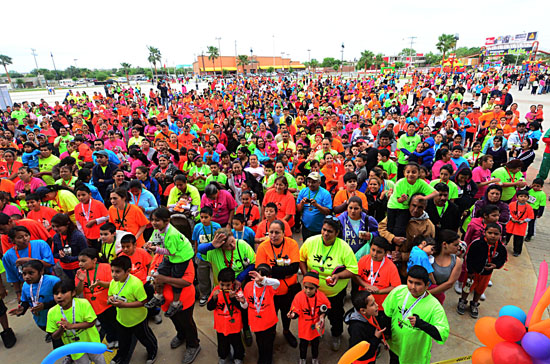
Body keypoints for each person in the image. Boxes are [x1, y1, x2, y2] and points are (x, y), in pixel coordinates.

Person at [299, 216, 359, 351]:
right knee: (313, 315)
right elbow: (301, 259)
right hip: (314, 292)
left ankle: (336, 335)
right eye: (324, 229)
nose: (325, 233)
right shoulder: (311, 242)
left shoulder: (344, 247)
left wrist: (337, 275)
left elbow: (353, 270)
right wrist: (307, 276)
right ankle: (315, 333)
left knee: (335, 316)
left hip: (334, 294)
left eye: (330, 231)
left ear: (337, 233)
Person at [383, 265, 449, 364]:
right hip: (395, 347)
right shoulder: (399, 291)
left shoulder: (434, 306)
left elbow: (441, 335)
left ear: (427, 285)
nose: (413, 287)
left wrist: (421, 324)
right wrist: (387, 333)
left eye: (418, 284)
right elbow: (387, 313)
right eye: (410, 282)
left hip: (415, 355)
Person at [256, 220, 301, 348]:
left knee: (287, 314)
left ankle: (286, 331)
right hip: (270, 292)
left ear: (284, 233)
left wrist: (272, 271)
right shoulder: (263, 247)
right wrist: (284, 273)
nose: (273, 235)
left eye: (277, 232)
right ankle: (272, 332)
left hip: (288, 290)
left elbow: (294, 268)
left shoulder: (291, 244)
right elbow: (261, 271)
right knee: (271, 315)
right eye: (271, 232)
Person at [143, 207, 195, 317]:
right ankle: (159, 296)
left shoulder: (172, 234)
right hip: (170, 255)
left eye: (157, 220)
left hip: (181, 256)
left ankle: (176, 303)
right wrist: (149, 243)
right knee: (159, 273)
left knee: (176, 279)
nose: (153, 223)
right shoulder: (157, 229)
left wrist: (155, 249)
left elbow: (171, 252)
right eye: (152, 219)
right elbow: (153, 238)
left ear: (167, 221)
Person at [108, 255, 158, 364]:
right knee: (123, 340)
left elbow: (143, 301)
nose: (114, 275)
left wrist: (124, 305)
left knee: (145, 338)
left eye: (117, 271)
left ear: (128, 271)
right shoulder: (113, 282)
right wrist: (110, 299)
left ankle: (152, 350)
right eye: (112, 271)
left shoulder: (136, 284)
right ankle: (121, 355)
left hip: (138, 319)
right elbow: (110, 295)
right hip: (122, 319)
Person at [46, 279, 107, 364]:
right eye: (56, 293)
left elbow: (91, 322)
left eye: (63, 292)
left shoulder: (83, 303)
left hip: (91, 342)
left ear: (73, 293)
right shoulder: (52, 312)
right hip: (74, 348)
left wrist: (71, 326)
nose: (59, 296)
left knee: (99, 361)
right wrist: (61, 329)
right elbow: (54, 336)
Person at [378, 194, 436, 280]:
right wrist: (392, 238)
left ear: (425, 207)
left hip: (409, 269)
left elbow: (426, 251)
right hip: (389, 262)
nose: (415, 210)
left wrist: (403, 256)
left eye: (420, 207)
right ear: (409, 204)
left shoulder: (428, 226)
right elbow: (381, 227)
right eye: (414, 205)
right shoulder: (398, 214)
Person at [8, 260, 61, 349]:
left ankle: (69, 356)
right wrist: (22, 309)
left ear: (41, 271)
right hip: (41, 320)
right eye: (24, 274)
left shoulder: (53, 281)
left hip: (58, 318)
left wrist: (45, 306)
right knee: (53, 334)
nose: (27, 277)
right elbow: (26, 301)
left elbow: (65, 298)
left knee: (59, 343)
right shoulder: (25, 285)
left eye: (31, 273)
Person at [457, 223, 507, 318]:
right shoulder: (476, 243)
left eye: (496, 234)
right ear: (484, 233)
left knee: (480, 289)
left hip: (486, 274)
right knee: (467, 287)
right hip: (472, 272)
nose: (493, 236)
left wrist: (495, 265)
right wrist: (470, 271)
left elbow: (502, 259)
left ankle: (474, 304)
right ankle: (462, 301)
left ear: (500, 235)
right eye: (490, 233)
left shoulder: (501, 248)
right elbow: (468, 257)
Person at [354, 236, 401, 332]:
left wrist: (379, 291)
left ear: (385, 253)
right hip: (364, 304)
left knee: (379, 328)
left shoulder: (390, 266)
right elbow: (355, 276)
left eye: (379, 252)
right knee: (363, 328)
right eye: (373, 250)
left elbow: (396, 287)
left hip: (381, 306)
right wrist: (365, 285)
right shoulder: (364, 260)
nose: (375, 254)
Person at [75, 248, 118, 349]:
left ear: (94, 260)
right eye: (79, 261)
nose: (80, 264)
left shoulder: (106, 267)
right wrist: (81, 281)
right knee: (105, 324)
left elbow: (114, 284)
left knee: (115, 322)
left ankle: (119, 338)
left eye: (84, 261)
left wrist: (100, 284)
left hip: (109, 303)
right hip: (95, 306)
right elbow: (78, 291)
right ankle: (111, 339)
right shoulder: (80, 273)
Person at [288, 272, 331, 364]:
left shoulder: (321, 296)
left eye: (311, 288)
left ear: (316, 288)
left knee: (315, 344)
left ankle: (315, 358)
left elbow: (327, 308)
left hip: (317, 326)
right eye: (305, 287)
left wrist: (322, 315)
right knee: (303, 345)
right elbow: (295, 310)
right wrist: (293, 315)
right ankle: (302, 358)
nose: (307, 290)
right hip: (304, 327)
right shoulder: (299, 297)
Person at [386, 163, 438, 238]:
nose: (410, 174)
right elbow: (399, 200)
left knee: (399, 229)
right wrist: (402, 198)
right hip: (393, 206)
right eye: (408, 172)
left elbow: (435, 193)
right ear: (404, 173)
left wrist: (424, 198)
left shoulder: (421, 183)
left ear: (418, 173)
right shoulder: (400, 182)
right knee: (390, 228)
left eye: (414, 172)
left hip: (405, 208)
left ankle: (397, 248)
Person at [206, 268, 246, 364]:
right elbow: (209, 307)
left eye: (228, 285)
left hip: (234, 325)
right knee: (222, 343)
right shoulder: (215, 291)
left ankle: (238, 357)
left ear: (233, 283)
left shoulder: (238, 291)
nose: (224, 288)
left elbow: (242, 308)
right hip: (221, 325)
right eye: (222, 284)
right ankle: (223, 356)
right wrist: (214, 298)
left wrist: (234, 299)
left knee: (237, 342)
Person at [243, 265, 280, 364]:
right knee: (260, 341)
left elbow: (277, 283)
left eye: (263, 277)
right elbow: (245, 306)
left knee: (269, 342)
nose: (259, 281)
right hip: (256, 322)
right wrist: (242, 301)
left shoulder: (270, 286)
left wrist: (264, 280)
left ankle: (268, 358)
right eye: (258, 276)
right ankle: (262, 356)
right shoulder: (248, 286)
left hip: (269, 321)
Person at [344, 290, 387, 364]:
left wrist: (380, 340)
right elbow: (361, 352)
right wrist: (376, 338)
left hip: (371, 356)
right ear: (363, 310)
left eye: (375, 302)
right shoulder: (356, 328)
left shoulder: (369, 314)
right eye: (372, 304)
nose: (377, 305)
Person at [192, 206, 221, 306]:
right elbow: (195, 241)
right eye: (202, 217)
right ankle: (205, 294)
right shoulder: (197, 227)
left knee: (217, 276)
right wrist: (196, 253)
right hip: (201, 257)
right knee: (202, 277)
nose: (203, 220)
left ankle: (218, 294)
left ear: (211, 217)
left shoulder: (217, 226)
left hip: (215, 256)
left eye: (206, 217)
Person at [429, 230, 463, 304]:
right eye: (455, 245)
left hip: (436, 298)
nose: (458, 248)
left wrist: (427, 293)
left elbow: (449, 283)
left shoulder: (456, 261)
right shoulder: (430, 255)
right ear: (444, 244)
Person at [51, 213, 88, 280]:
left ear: (67, 224)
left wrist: (70, 258)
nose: (55, 229)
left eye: (58, 226)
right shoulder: (56, 237)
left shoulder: (78, 236)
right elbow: (54, 253)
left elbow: (86, 254)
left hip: (78, 267)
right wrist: (60, 255)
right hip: (64, 268)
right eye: (53, 226)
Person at [297, 172, 333, 240]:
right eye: (309, 182)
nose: (310, 184)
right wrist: (302, 203)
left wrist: (317, 205)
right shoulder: (303, 191)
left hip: (320, 228)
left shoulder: (325, 193)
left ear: (319, 183)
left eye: (313, 182)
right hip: (306, 227)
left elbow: (328, 211)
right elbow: (298, 209)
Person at [74, 185, 109, 251]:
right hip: (87, 236)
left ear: (89, 194)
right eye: (78, 195)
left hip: (100, 235)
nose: (81, 197)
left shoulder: (98, 204)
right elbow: (78, 223)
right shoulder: (77, 207)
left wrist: (95, 221)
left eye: (83, 195)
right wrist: (84, 237)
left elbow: (107, 217)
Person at [506, 190, 534, 257]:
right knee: (506, 236)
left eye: (525, 196)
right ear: (517, 197)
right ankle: (502, 246)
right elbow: (508, 212)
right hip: (511, 223)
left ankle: (517, 251)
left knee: (518, 239)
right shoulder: (512, 204)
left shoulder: (529, 207)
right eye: (521, 196)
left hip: (521, 225)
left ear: (528, 198)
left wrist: (524, 221)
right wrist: (511, 218)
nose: (523, 198)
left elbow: (530, 217)